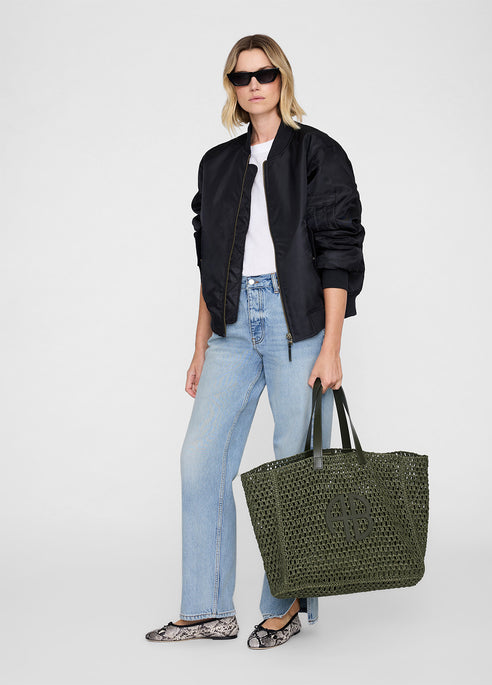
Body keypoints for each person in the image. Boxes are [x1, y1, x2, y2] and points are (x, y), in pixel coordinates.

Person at [145, 33, 365, 649]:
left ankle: (285, 602)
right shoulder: (217, 164)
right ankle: (207, 609)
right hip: (233, 326)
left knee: (293, 464)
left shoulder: (318, 152)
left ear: (282, 79)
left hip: (299, 324)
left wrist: (332, 346)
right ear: (232, 87)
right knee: (201, 459)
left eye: (264, 74)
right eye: (242, 77)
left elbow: (339, 250)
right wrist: (200, 346)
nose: (254, 85)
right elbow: (209, 263)